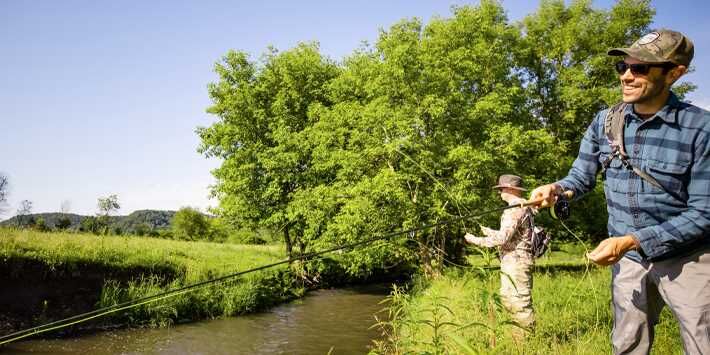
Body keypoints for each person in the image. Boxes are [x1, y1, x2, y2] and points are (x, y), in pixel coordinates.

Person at [530, 29, 709, 354]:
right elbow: (580, 179)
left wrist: (635, 239)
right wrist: (556, 190)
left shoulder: (702, 130)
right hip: (629, 260)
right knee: (627, 346)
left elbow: (705, 213)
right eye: (622, 67)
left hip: (691, 258)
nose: (626, 75)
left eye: (640, 68)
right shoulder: (605, 121)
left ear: (675, 73)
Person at [464, 174, 536, 334]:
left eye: (501, 188)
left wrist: (475, 240)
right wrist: (489, 231)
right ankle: (519, 337)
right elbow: (511, 235)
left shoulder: (515, 208)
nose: (500, 192)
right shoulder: (521, 206)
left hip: (517, 263)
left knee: (519, 303)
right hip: (513, 262)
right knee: (508, 299)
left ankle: (528, 341)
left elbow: (502, 239)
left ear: (510, 188)